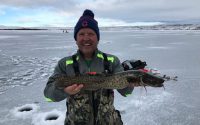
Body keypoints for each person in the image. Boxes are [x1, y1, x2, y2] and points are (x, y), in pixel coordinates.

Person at [44, 9, 134, 125]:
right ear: (76, 38)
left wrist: (131, 83)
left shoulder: (112, 61)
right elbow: (48, 96)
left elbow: (126, 93)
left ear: (98, 37)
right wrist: (65, 91)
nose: (86, 38)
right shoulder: (65, 64)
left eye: (91, 34)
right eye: (81, 34)